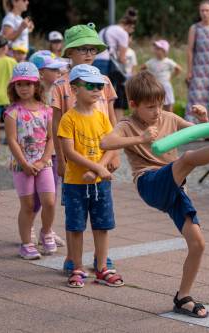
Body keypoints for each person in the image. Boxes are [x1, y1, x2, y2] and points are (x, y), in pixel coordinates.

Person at [101, 71, 209, 318]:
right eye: (150, 107)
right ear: (134, 105)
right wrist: (140, 137)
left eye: (159, 105)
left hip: (176, 185)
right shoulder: (127, 125)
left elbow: (202, 135)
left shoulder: (168, 117)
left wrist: (204, 120)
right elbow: (105, 143)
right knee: (188, 158)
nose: (157, 112)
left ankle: (182, 298)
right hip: (150, 182)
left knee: (198, 243)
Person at [51, 23, 119, 275]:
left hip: (101, 152)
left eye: (92, 49)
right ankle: (73, 258)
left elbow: (111, 118)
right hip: (74, 154)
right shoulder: (60, 85)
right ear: (70, 52)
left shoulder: (104, 81)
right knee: (75, 214)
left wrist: (116, 151)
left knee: (102, 211)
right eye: (82, 49)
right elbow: (56, 123)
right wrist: (58, 157)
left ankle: (102, 258)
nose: (89, 53)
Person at [57, 64, 122, 288]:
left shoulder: (102, 117)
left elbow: (112, 145)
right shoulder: (69, 119)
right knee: (75, 226)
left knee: (102, 225)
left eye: (100, 86)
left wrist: (98, 169)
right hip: (75, 183)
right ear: (74, 89)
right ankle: (76, 267)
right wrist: (97, 169)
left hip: (99, 182)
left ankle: (102, 267)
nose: (97, 90)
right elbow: (69, 152)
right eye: (91, 86)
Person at [4, 62, 56, 260]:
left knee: (49, 202)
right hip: (22, 165)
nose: (24, 88)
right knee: (28, 205)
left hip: (44, 164)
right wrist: (25, 164)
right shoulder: (12, 112)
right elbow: (11, 139)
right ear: (14, 88)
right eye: (19, 84)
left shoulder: (47, 111)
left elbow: (51, 138)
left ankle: (46, 231)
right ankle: (26, 243)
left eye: (28, 83)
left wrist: (43, 160)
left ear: (36, 85)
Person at [28, 50, 66, 247]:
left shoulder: (59, 92)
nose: (59, 71)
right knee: (33, 196)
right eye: (53, 69)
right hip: (34, 154)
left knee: (50, 193)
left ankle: (47, 230)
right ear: (41, 73)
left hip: (54, 151)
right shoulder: (31, 96)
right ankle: (30, 228)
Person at [94, 8, 138, 120]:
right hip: (107, 63)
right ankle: (106, 119)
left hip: (95, 60)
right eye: (131, 31)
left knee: (95, 90)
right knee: (108, 93)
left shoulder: (105, 29)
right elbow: (122, 58)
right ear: (129, 26)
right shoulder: (123, 33)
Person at [142, 40, 182, 112]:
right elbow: (142, 68)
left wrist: (171, 77)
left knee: (169, 106)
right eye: (155, 49)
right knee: (158, 105)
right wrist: (148, 78)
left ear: (164, 51)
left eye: (158, 49)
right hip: (155, 87)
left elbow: (178, 69)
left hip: (166, 86)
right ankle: (160, 122)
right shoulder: (151, 61)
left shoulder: (168, 61)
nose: (156, 51)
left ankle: (170, 121)